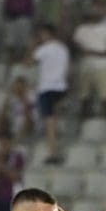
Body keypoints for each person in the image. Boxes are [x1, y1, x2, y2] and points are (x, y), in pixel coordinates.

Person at [30, 24, 69, 164]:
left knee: (50, 123)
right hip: (61, 87)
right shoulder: (63, 49)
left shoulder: (44, 49)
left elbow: (29, 62)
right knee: (53, 120)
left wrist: (33, 45)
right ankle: (55, 147)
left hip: (47, 88)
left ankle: (53, 152)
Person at [72, 8, 106, 120]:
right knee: (84, 93)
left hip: (102, 65)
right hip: (85, 65)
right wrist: (85, 52)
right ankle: (85, 114)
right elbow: (76, 47)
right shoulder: (81, 29)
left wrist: (94, 53)